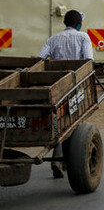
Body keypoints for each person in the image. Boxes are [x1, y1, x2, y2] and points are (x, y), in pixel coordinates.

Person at [38, 9, 94, 178]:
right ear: (78, 24)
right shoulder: (83, 37)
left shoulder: (53, 39)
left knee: (60, 120)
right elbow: (88, 61)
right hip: (75, 86)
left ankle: (61, 160)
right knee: (71, 121)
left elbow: (40, 59)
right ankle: (62, 160)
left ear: (65, 23)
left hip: (55, 87)